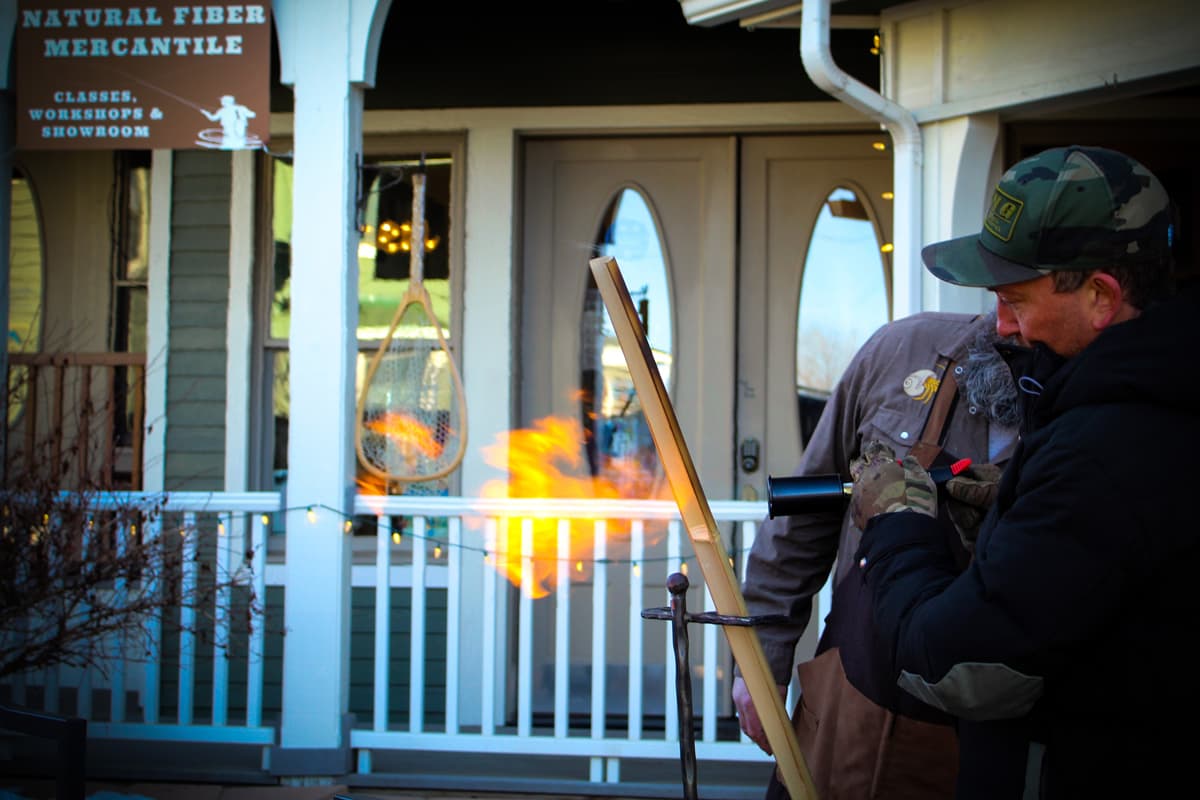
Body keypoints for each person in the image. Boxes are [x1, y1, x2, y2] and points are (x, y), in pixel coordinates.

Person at [850, 144, 1199, 798]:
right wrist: (1009, 515)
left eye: (1014, 300)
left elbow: (957, 665)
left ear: (1100, 296)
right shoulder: (1147, 409)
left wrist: (900, 523)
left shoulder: (1100, 454)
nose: (1002, 326)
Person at [734, 308, 1022, 799]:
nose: (1007, 318)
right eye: (999, 290)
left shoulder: (1090, 404)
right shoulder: (901, 349)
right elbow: (802, 523)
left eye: (1022, 293)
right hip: (850, 702)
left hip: (995, 729)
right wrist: (762, 663)